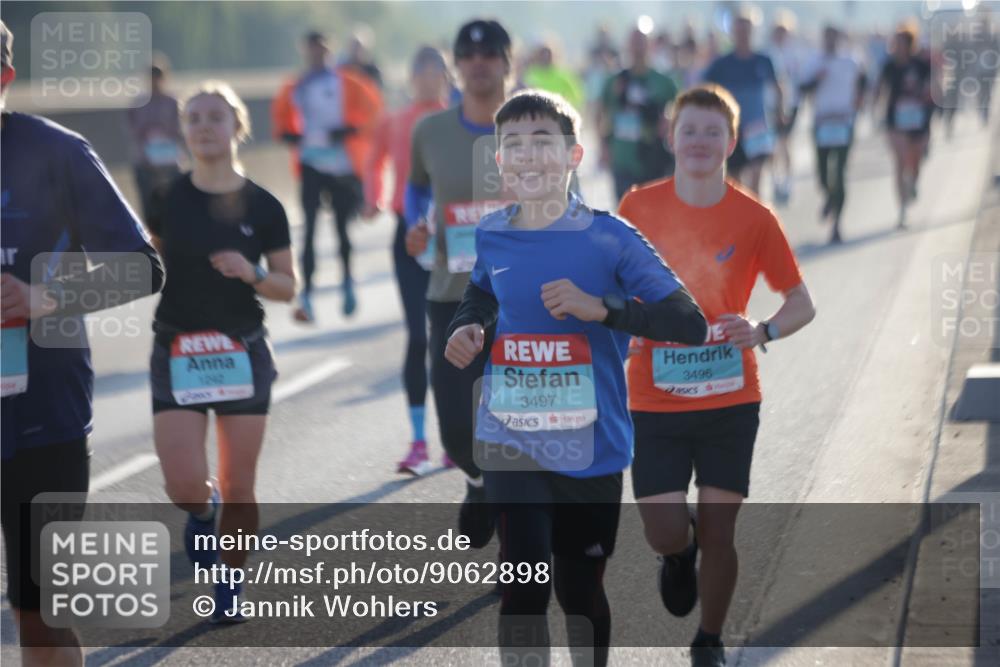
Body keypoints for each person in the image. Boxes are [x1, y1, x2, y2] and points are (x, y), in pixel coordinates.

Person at [445, 89, 706, 667]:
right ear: (500, 162)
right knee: (524, 592)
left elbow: (689, 322)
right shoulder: (491, 233)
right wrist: (467, 326)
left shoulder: (609, 236)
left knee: (579, 592)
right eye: (514, 144)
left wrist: (604, 309)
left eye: (544, 142)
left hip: (591, 444)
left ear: (574, 156)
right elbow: (484, 292)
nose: (529, 155)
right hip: (511, 436)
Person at [618, 84, 815, 667]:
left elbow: (801, 302)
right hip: (653, 397)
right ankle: (678, 556)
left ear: (731, 141)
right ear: (671, 137)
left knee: (723, 532)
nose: (700, 141)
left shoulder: (755, 217)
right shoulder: (637, 208)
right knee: (661, 529)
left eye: (712, 132)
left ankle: (709, 638)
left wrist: (762, 330)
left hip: (731, 396)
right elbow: (612, 285)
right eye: (689, 130)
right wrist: (622, 324)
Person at [1, 20, 164, 665]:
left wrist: (48, 298)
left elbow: (143, 265)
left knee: (39, 618)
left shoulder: (58, 152)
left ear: (5, 77)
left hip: (43, 420)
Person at [145, 81, 296, 622]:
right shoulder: (166, 197)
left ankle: (229, 588)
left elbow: (287, 285)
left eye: (216, 116)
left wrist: (251, 271)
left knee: (240, 486)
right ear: (185, 131)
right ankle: (200, 511)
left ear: (238, 127)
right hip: (177, 351)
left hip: (243, 352)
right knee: (185, 484)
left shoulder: (265, 205)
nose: (205, 126)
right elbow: (149, 264)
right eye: (195, 118)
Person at [404, 19, 514, 546]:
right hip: (452, 297)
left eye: (490, 54)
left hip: (521, 300)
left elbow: (568, 203)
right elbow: (413, 194)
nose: (478, 63)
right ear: (456, 65)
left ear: (506, 63)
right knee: (455, 430)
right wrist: (415, 228)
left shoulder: (534, 127)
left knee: (516, 427)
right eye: (468, 55)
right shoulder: (430, 131)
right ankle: (476, 480)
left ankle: (522, 557)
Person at [363, 46, 451, 474]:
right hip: (408, 235)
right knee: (418, 337)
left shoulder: (458, 120)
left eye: (437, 72)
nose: (429, 79)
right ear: (412, 77)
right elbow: (373, 159)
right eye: (423, 72)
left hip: (457, 238)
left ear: (446, 77)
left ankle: (455, 438)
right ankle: (418, 440)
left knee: (452, 338)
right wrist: (372, 198)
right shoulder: (396, 119)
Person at [274, 30, 382, 321]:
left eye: (322, 50)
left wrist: (350, 128)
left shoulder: (346, 81)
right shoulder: (296, 86)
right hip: (311, 164)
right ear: (304, 52)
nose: (317, 55)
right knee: (309, 229)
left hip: (342, 165)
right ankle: (307, 293)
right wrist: (289, 135)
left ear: (329, 51)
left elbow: (373, 109)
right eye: (312, 50)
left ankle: (347, 282)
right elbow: (280, 119)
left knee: (341, 228)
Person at [702, 11, 784, 196]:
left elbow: (778, 87)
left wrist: (780, 112)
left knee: (756, 177)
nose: (743, 35)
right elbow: (705, 89)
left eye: (746, 30)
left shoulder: (764, 60)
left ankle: (756, 220)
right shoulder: (722, 64)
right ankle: (742, 217)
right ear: (732, 33)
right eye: (739, 31)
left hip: (758, 127)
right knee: (736, 181)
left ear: (753, 31)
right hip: (732, 129)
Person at [799, 26, 867, 243]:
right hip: (822, 123)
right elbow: (802, 88)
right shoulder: (814, 62)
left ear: (839, 39)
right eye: (826, 38)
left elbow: (863, 82)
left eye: (833, 38)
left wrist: (859, 100)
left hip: (844, 122)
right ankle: (828, 196)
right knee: (822, 172)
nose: (830, 42)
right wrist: (816, 79)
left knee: (839, 172)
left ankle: (837, 223)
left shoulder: (850, 61)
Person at [599, 25, 679, 201]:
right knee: (624, 214)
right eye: (634, 42)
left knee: (653, 214)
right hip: (622, 157)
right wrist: (603, 146)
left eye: (642, 42)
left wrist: (669, 123)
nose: (638, 47)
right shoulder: (614, 81)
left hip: (654, 157)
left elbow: (679, 113)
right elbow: (602, 113)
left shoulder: (664, 81)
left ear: (650, 45)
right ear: (627, 46)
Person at [874, 24, 935, 228]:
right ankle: (902, 210)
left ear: (910, 44)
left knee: (914, 162)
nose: (897, 46)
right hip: (895, 120)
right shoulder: (889, 65)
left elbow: (933, 88)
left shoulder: (920, 64)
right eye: (896, 42)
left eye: (901, 42)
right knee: (900, 163)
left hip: (917, 119)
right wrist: (875, 108)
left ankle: (914, 182)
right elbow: (880, 87)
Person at [127, 58, 184, 220]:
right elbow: (133, 130)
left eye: (158, 77)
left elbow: (180, 130)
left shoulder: (173, 103)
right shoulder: (138, 103)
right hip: (145, 163)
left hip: (170, 162)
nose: (154, 81)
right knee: (148, 207)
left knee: (175, 206)